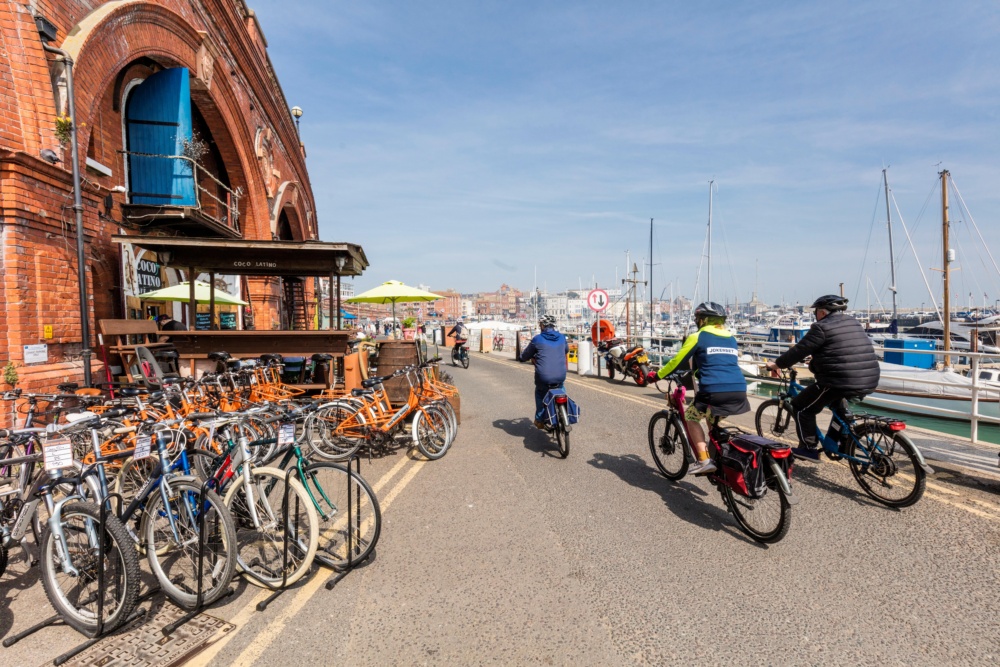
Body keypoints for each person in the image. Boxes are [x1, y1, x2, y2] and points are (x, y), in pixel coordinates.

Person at [765, 295, 880, 458]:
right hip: (869, 377)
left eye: (816, 311)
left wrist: (776, 364)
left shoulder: (821, 327)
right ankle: (840, 442)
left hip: (838, 381)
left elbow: (798, 351)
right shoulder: (854, 323)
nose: (815, 315)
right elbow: (844, 350)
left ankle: (808, 448)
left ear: (823, 312)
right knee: (838, 406)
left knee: (800, 407)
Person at [648, 302, 749, 475]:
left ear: (702, 320)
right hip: (739, 390)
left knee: (691, 417)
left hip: (714, 391)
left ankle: (703, 460)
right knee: (712, 421)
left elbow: (675, 362)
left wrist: (656, 376)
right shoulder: (731, 338)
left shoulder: (698, 336)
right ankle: (722, 458)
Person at [519, 315, 569, 429]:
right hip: (561, 375)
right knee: (561, 388)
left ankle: (540, 419)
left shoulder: (538, 339)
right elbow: (566, 350)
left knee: (540, 393)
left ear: (542, 325)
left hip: (543, 377)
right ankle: (565, 412)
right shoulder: (561, 338)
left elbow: (526, 354)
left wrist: (521, 358)